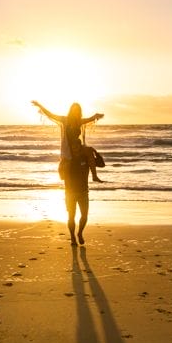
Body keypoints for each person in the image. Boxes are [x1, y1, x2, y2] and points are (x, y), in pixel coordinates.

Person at [32, 100, 104, 245]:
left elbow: (90, 119)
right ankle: (72, 237)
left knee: (89, 152)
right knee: (66, 169)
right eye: (75, 110)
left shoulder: (79, 121)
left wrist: (96, 116)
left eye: (78, 111)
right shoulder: (65, 120)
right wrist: (40, 106)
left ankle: (95, 176)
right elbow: (51, 114)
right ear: (71, 110)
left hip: (77, 147)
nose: (76, 113)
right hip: (68, 151)